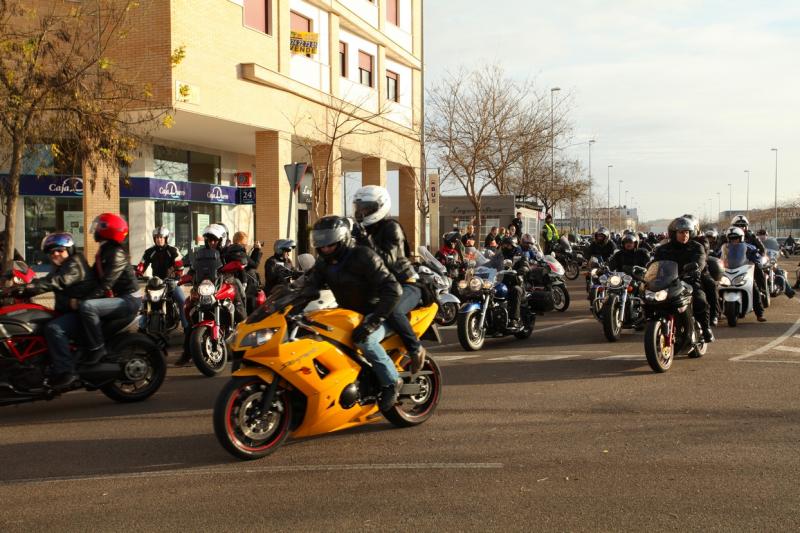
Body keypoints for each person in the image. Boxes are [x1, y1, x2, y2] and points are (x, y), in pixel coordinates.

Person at [302, 216, 403, 411]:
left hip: (379, 313)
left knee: (365, 341)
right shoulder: (324, 263)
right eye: (321, 241)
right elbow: (309, 286)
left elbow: (393, 289)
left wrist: (373, 322)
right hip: (350, 314)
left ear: (342, 238)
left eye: (329, 241)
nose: (324, 247)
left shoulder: (364, 256)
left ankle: (391, 382)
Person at [352, 185, 426, 373]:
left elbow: (389, 260)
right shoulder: (360, 231)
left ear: (380, 207)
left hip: (406, 284)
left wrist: (365, 241)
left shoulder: (391, 227)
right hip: (380, 287)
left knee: (392, 309)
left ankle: (416, 349)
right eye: (360, 208)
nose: (362, 213)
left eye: (367, 208)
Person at [17, 233, 95, 389]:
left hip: (80, 313)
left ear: (70, 249)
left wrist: (28, 288)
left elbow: (55, 282)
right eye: (51, 252)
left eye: (59, 250)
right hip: (67, 310)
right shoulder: (61, 267)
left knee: (54, 329)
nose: (55, 254)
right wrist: (18, 289)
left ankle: (67, 372)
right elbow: (44, 281)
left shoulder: (74, 264)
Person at [78, 213, 142, 364]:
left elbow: (106, 283)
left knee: (88, 307)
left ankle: (98, 349)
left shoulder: (116, 253)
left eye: (99, 227)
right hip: (119, 298)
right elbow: (92, 278)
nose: (95, 230)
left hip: (128, 300)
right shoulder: (104, 251)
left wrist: (84, 299)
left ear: (108, 230)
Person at [653, 217, 714, 341]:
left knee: (700, 299)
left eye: (687, 232)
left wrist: (696, 269)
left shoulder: (696, 247)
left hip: (689, 280)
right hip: (669, 282)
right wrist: (649, 273)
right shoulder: (663, 249)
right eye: (681, 232)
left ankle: (705, 327)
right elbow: (655, 264)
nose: (684, 235)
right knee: (650, 298)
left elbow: (700, 260)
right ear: (673, 233)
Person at [136, 226, 188, 330]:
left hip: (171, 282)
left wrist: (177, 273)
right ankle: (142, 326)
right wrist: (138, 272)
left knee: (182, 301)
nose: (159, 239)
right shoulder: (150, 252)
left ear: (166, 238)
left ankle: (186, 327)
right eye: (157, 237)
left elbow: (179, 264)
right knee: (145, 301)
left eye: (161, 237)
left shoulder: (172, 250)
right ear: (154, 238)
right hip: (155, 283)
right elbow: (142, 264)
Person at [724, 226, 767, 321]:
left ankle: (759, 313)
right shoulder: (725, 248)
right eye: (732, 239)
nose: (734, 240)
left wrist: (757, 259)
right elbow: (718, 256)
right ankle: (716, 313)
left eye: (736, 238)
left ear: (741, 238)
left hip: (743, 272)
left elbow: (757, 255)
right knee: (716, 286)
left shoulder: (749, 247)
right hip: (728, 272)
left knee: (754, 288)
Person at [488, 236, 524, 328]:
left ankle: (514, 319)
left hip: (513, 282)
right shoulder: (499, 255)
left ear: (513, 246)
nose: (506, 247)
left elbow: (524, 264)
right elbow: (490, 263)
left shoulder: (517, 255)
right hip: (498, 282)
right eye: (504, 245)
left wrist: (522, 269)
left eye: (508, 245)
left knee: (516, 290)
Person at [227, 231, 263, 313]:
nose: (246, 246)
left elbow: (248, 263)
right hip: (243, 284)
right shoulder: (238, 252)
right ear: (239, 242)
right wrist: (257, 250)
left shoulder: (230, 250)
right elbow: (254, 264)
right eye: (245, 244)